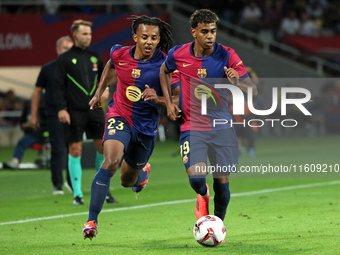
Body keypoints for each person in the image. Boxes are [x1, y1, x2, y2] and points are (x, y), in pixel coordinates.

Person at [159, 9, 257, 225]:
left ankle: (217, 225)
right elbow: (164, 71)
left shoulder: (228, 55)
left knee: (222, 184)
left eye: (213, 30)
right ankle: (202, 195)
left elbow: (253, 90)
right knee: (196, 178)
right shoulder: (178, 54)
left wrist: (236, 83)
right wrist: (168, 102)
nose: (210, 35)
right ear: (194, 32)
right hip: (193, 127)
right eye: (205, 31)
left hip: (222, 128)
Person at [82, 15, 173, 241]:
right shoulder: (119, 53)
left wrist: (159, 98)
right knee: (110, 161)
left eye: (154, 37)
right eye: (144, 37)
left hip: (145, 129)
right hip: (119, 115)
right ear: (135, 38)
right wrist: (98, 92)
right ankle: (91, 220)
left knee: (127, 182)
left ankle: (142, 172)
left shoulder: (166, 64)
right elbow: (110, 65)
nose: (149, 41)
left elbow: (179, 99)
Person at [53, 20, 116, 205]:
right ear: (75, 36)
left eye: (89, 34)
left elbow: (105, 79)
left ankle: (103, 189)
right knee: (75, 150)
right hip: (74, 111)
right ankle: (78, 194)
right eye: (84, 34)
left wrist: (105, 90)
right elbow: (57, 86)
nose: (88, 37)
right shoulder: (64, 59)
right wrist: (61, 109)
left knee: (103, 148)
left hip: (94, 110)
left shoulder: (95, 56)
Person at [30, 36, 73, 195]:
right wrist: (33, 116)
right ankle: (57, 185)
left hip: (74, 114)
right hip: (54, 114)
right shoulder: (48, 69)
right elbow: (37, 92)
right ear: (58, 50)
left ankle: (72, 181)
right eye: (65, 48)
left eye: (71, 48)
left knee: (74, 149)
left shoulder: (76, 68)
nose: (68, 52)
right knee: (58, 149)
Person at [3, 100, 44, 169]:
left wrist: (39, 125)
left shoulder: (45, 106)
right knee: (22, 142)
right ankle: (15, 161)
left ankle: (15, 161)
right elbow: (22, 124)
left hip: (45, 133)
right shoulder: (28, 107)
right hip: (33, 134)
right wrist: (28, 125)